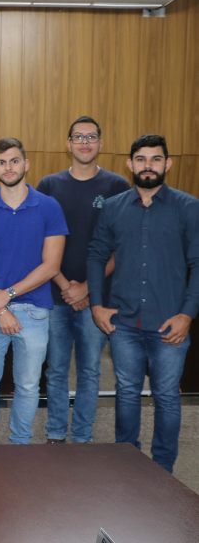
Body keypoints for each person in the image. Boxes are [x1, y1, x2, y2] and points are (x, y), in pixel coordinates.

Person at [87, 134, 199, 473]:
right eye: (141, 159)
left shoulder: (189, 207)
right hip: (124, 324)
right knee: (127, 393)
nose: (147, 165)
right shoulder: (113, 206)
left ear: (167, 164)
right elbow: (96, 255)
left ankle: (163, 469)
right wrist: (96, 304)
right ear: (130, 164)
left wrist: (187, 315)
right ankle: (128, 465)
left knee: (166, 396)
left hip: (170, 324)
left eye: (155, 159)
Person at [0, 138, 67, 445]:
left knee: (28, 386)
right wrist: (1, 306)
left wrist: (7, 295)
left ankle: (20, 448)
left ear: (26, 164)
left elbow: (51, 265)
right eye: (1, 162)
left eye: (14, 161)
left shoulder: (49, 207)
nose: (8, 167)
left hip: (34, 312)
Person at [37, 117, 130, 444]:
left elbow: (123, 246)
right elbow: (40, 242)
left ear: (100, 144)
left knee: (91, 371)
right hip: (55, 294)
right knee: (57, 370)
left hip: (98, 299)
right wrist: (66, 286)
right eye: (78, 137)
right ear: (69, 143)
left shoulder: (118, 186)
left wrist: (87, 288)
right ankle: (56, 434)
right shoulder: (49, 185)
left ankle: (82, 437)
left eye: (91, 137)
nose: (85, 142)